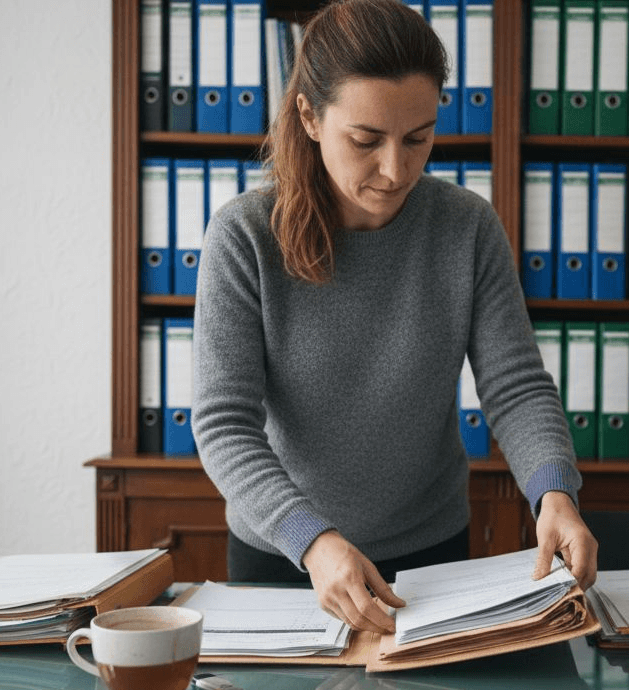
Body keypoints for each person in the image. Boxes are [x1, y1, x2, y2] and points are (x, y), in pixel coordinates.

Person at [191, 0, 596, 635]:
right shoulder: (244, 236)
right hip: (287, 557)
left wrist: (555, 493)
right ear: (310, 116)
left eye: (417, 138)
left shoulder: (466, 227)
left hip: (431, 556)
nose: (395, 169)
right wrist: (314, 541)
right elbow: (223, 424)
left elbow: (515, 387)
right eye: (365, 140)